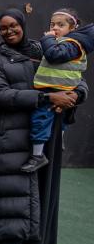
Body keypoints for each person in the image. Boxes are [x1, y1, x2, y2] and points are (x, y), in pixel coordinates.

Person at [0, 9, 87, 244]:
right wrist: (48, 99)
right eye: (3, 27)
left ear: (23, 25)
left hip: (42, 137)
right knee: (9, 198)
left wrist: (75, 94)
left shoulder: (45, 50)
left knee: (37, 193)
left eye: (14, 25)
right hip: (8, 137)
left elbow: (74, 77)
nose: (9, 31)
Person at [23, 10, 93, 172]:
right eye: (52, 24)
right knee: (54, 121)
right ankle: (57, 140)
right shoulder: (62, 42)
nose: (54, 28)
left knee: (39, 120)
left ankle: (37, 155)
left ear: (73, 28)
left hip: (59, 90)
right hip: (56, 89)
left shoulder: (71, 43)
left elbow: (54, 55)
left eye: (60, 25)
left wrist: (47, 38)